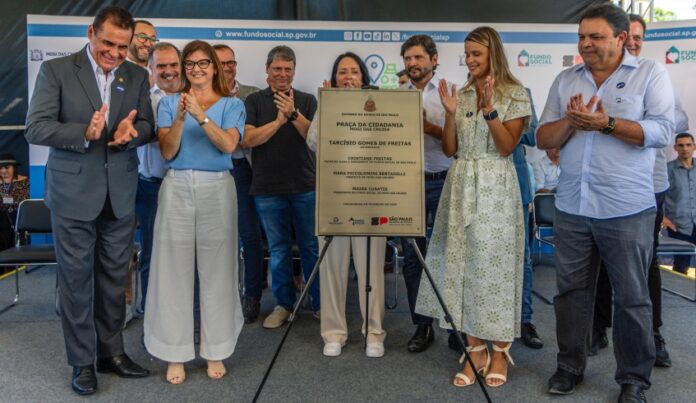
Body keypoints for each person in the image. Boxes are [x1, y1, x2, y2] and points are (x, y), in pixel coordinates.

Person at [537, 4, 674, 402]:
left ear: (619, 38)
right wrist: (573, 122)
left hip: (627, 208)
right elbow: (545, 137)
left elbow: (664, 130)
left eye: (595, 37)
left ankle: (633, 380)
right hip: (573, 207)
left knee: (632, 298)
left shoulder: (650, 74)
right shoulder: (566, 80)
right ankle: (569, 366)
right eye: (581, 36)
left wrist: (607, 124)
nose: (585, 44)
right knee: (570, 294)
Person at [25, 6, 154, 395]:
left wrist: (131, 133)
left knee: (115, 281)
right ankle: (82, 362)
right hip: (73, 195)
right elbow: (36, 126)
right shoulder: (57, 71)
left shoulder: (137, 75)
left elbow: (146, 124)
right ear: (91, 32)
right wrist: (85, 131)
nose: (115, 53)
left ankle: (111, 353)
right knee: (77, 282)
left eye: (123, 46)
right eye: (108, 43)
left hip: (120, 195)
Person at [415, 26, 531, 388]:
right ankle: (474, 349)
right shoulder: (462, 93)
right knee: (461, 267)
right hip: (460, 182)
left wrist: (490, 111)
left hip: (495, 186)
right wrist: (450, 114)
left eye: (476, 54)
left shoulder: (515, 93)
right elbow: (450, 149)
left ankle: (500, 350)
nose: (469, 60)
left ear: (492, 53)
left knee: (493, 271)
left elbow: (507, 147)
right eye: (466, 54)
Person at [143, 40, 245, 384]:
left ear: (215, 67)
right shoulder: (170, 103)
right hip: (177, 185)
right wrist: (181, 117)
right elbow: (169, 151)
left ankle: (215, 347)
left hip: (218, 186)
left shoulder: (233, 105)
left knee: (218, 268)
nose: (197, 69)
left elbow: (228, 145)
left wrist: (201, 116)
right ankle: (175, 352)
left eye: (204, 63)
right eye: (190, 64)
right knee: (173, 268)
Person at [590, 13, 689, 366]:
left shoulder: (654, 76)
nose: (632, 42)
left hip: (650, 187)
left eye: (638, 37)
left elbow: (675, 124)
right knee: (600, 261)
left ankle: (654, 336)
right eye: (627, 36)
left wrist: (634, 117)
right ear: (616, 39)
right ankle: (598, 328)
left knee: (645, 266)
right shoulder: (594, 78)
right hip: (606, 186)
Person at [305, 52, 387, 358]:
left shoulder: (379, 107)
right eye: (342, 72)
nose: (348, 76)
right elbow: (313, 142)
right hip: (334, 198)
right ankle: (334, 333)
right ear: (335, 78)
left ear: (364, 78)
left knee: (372, 272)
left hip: (371, 198)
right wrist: (327, 107)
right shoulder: (326, 104)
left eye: (354, 71)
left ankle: (374, 332)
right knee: (332, 269)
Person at [242, 45, 320, 329]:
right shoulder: (253, 102)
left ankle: (319, 304)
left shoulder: (307, 100)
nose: (283, 74)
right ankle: (283, 305)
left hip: (305, 186)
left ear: (294, 72)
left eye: (288, 69)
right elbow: (248, 140)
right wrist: (278, 121)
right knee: (278, 249)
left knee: (311, 247)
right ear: (267, 70)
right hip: (267, 187)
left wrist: (293, 114)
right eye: (277, 69)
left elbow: (314, 138)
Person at [398, 34, 453, 354]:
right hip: (408, 184)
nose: (412, 64)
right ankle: (422, 326)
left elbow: (455, 140)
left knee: (448, 256)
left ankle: (452, 325)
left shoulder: (450, 92)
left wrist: (428, 126)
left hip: (445, 178)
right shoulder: (398, 97)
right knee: (412, 257)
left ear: (433, 59)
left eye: (418, 57)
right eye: (407, 59)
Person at [213, 43, 265, 323]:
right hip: (213, 168)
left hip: (244, 168)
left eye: (231, 62)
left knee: (249, 233)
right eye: (220, 62)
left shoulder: (253, 95)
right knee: (218, 237)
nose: (227, 67)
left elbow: (250, 136)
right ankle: (222, 297)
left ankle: (252, 295)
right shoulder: (201, 95)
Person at [134, 42, 181, 313]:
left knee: (186, 256)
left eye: (173, 65)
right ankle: (152, 315)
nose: (168, 71)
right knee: (152, 255)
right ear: (150, 68)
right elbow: (140, 134)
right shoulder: (140, 97)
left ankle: (181, 315)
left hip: (186, 184)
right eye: (161, 66)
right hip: (151, 186)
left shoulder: (193, 95)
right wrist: (161, 132)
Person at [512, 91, 543, 350]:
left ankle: (524, 320)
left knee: (521, 258)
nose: (472, 60)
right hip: (478, 183)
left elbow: (533, 136)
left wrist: (498, 120)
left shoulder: (520, 92)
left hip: (514, 183)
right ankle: (477, 324)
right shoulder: (467, 90)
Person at [664, 133, 696, 275]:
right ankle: (679, 296)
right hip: (679, 226)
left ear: (694, 147)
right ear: (675, 148)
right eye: (681, 145)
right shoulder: (667, 170)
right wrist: (664, 219)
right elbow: (655, 196)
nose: (685, 149)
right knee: (681, 267)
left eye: (688, 145)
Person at [0, 154, 29, 268]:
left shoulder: (24, 181)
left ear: (14, 168)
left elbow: (25, 202)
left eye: (7, 167)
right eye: (1, 168)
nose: (3, 171)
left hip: (17, 218)